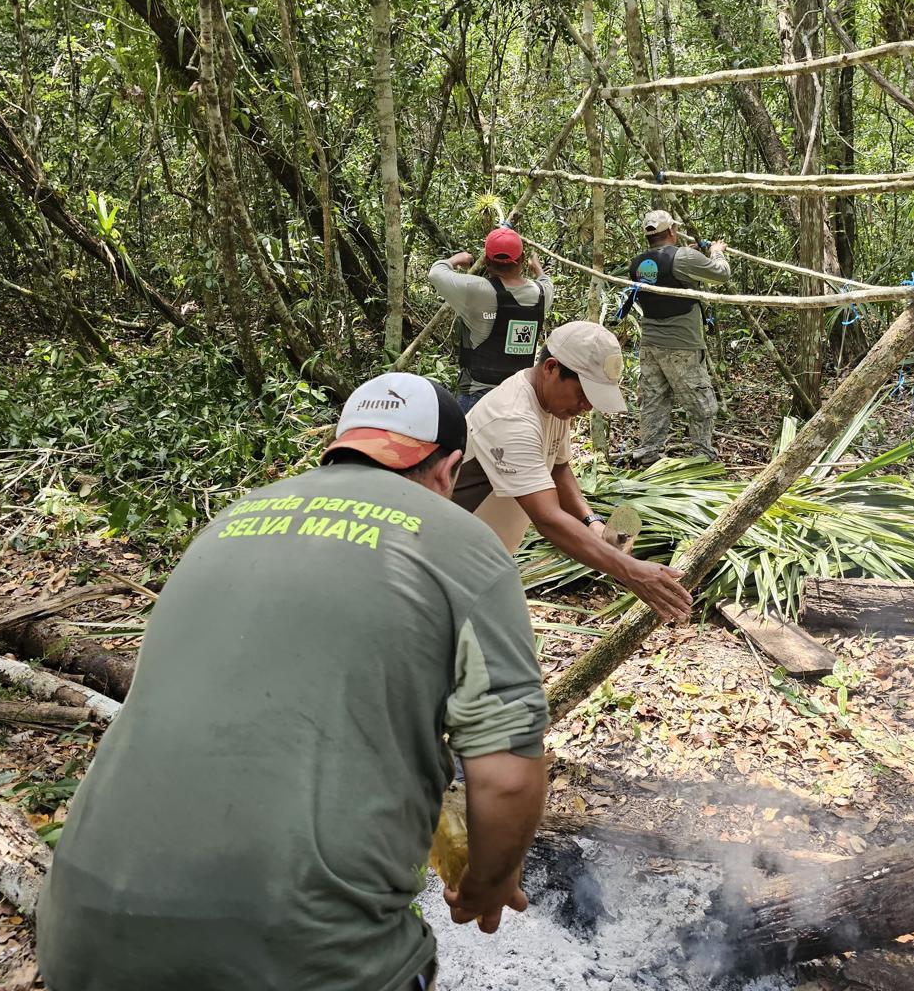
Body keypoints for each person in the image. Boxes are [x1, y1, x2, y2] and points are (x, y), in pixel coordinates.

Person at [37, 373, 549, 991]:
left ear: (339, 447)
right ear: (449, 470)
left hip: (81, 933)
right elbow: (508, 777)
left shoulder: (228, 522)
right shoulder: (463, 544)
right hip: (296, 950)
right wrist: (489, 884)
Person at [452, 319, 693, 623]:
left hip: (483, 561)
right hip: (450, 562)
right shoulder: (512, 419)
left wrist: (590, 521)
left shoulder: (551, 403)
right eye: (583, 394)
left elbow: (558, 468)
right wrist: (629, 570)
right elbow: (548, 519)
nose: (587, 406)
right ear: (551, 368)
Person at [624, 208, 730, 466]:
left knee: (653, 400)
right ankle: (702, 459)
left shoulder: (637, 263)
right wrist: (717, 251)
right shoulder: (684, 257)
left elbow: (666, 270)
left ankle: (648, 456)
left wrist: (690, 254)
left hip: (651, 343)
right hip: (682, 344)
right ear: (672, 230)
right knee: (701, 404)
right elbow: (721, 273)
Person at [428, 225, 553, 414]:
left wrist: (458, 259)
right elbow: (546, 281)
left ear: (487, 260)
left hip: (478, 396)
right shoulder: (543, 294)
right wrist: (537, 268)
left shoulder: (478, 290)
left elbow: (435, 273)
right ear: (521, 259)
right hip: (519, 398)